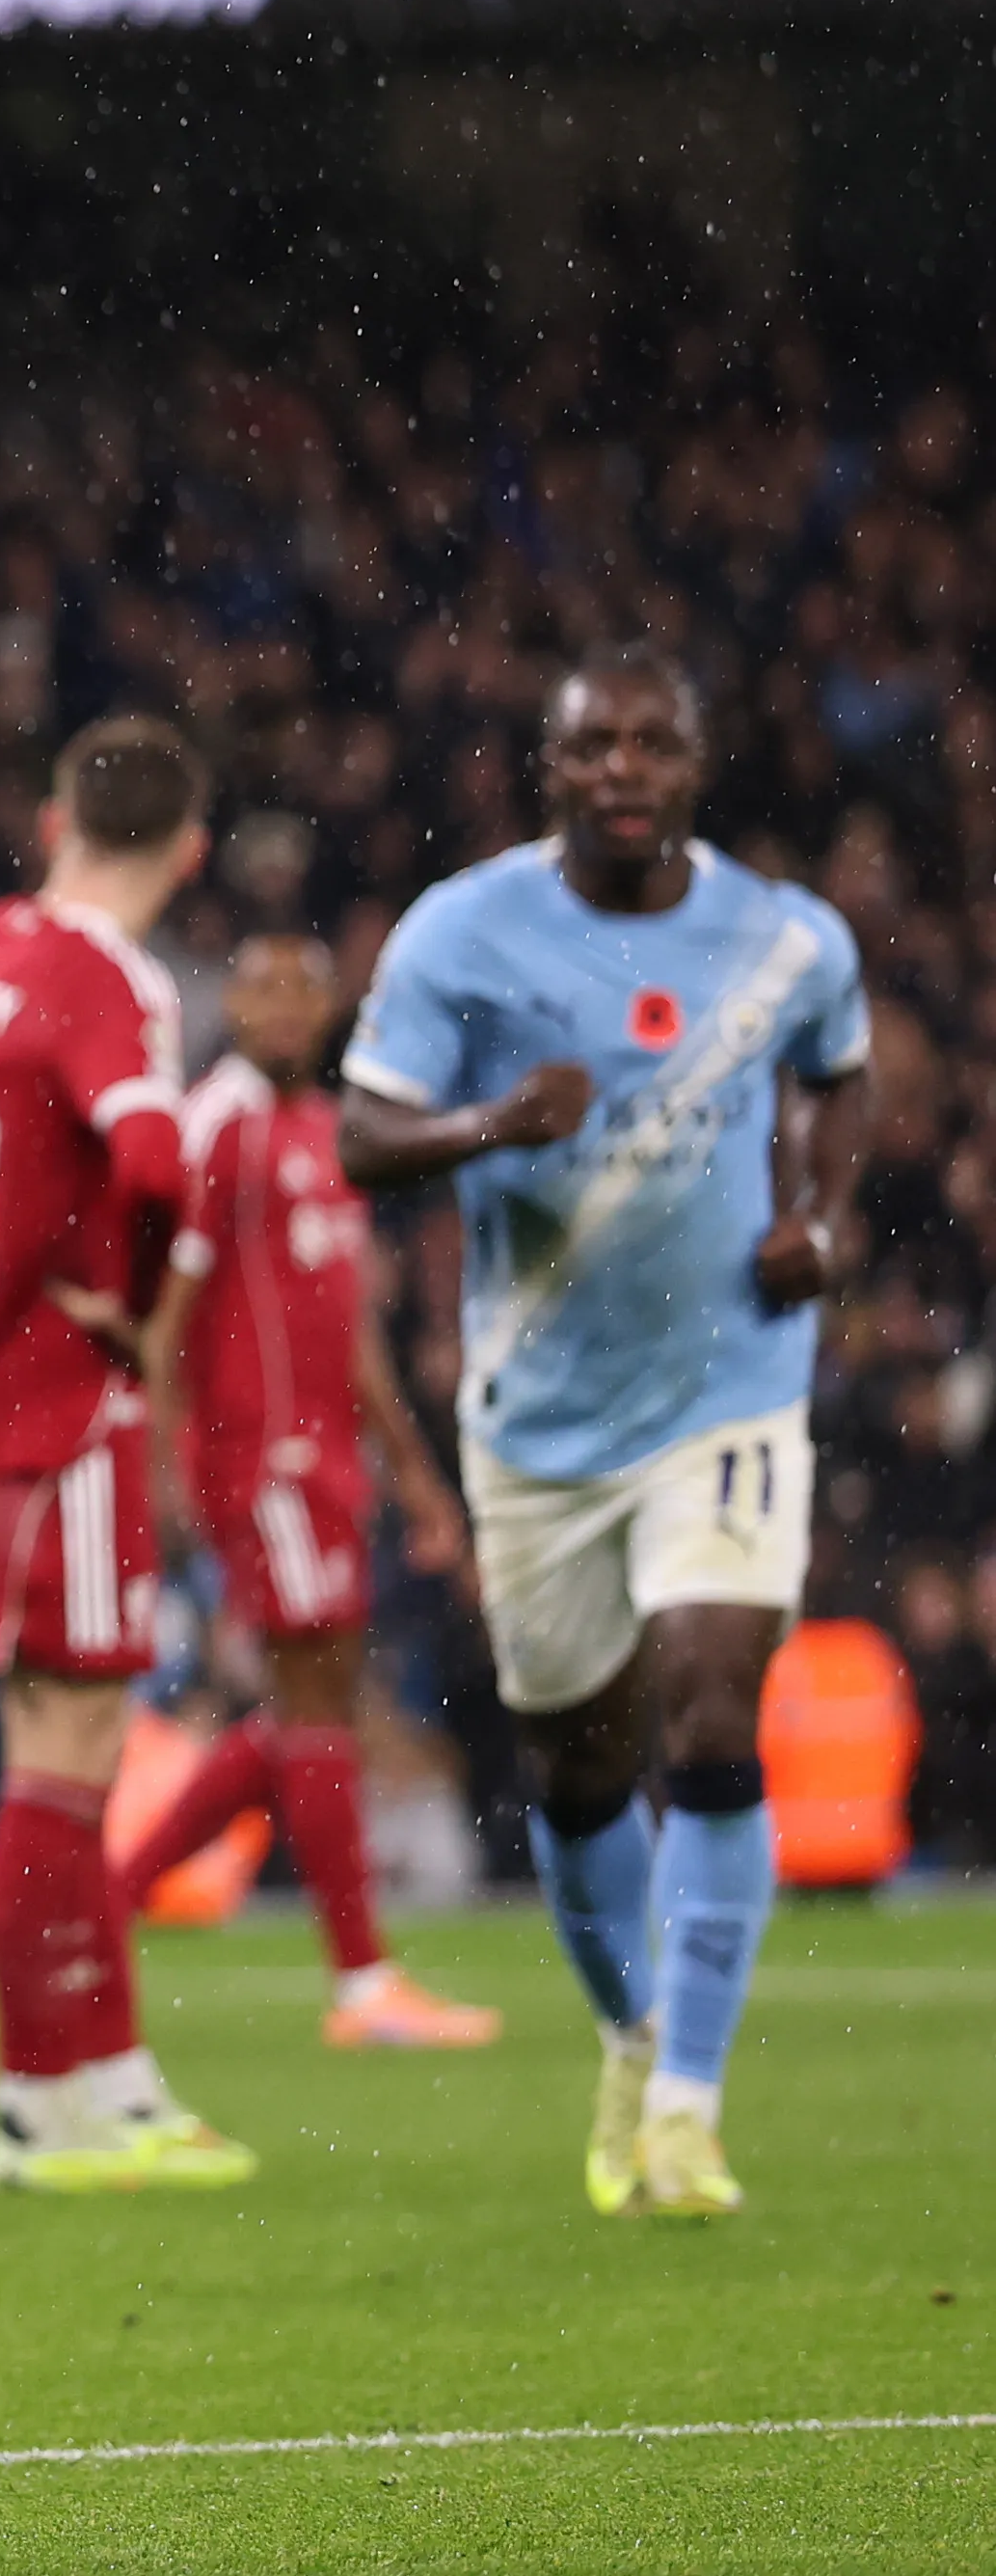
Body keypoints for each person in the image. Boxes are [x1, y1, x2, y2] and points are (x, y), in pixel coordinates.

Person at [337, 653, 871, 2221]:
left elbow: (836, 1071)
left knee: (708, 1713)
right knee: (576, 1772)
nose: (621, 768)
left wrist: (821, 1217)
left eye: (650, 742)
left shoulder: (784, 938)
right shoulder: (460, 932)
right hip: (540, 1422)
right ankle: (630, 2040)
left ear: (693, 763)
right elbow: (359, 1133)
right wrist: (486, 1125)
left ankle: (690, 2102)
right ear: (548, 768)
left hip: (727, 1385)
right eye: (592, 746)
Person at [0, 717, 257, 2193]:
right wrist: (121, 1295)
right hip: (57, 1403)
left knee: (68, 1751)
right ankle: (40, 2099)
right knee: (63, 1757)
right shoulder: (112, 980)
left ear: (51, 822)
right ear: (190, 851)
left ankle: (105, 2076)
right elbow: (151, 1157)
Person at [117, 933, 502, 2050]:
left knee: (303, 1708)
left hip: (328, 1458)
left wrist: (413, 1471)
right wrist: (161, 1461)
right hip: (257, 1457)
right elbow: (165, 1307)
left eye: (301, 989)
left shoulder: (330, 1131)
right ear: (231, 1007)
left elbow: (351, 1324)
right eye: (260, 989)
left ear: (332, 1008)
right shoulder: (217, 1124)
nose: (281, 1008)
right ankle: (361, 1983)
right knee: (317, 1700)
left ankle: (112, 1896)